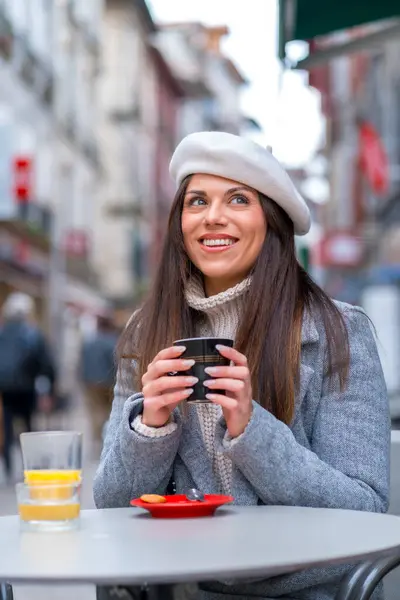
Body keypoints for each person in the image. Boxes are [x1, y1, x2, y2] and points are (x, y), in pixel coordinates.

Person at [93, 132, 390, 600]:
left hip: (300, 591)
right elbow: (109, 504)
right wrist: (149, 427)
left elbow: (364, 510)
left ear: (270, 220)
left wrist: (253, 431)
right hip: (180, 588)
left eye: (237, 198)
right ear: (180, 224)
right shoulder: (145, 330)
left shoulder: (338, 331)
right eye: (197, 201)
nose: (213, 216)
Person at [0, 292, 56, 480]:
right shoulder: (32, 333)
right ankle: (29, 467)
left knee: (6, 427)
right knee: (28, 426)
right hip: (27, 388)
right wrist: (48, 390)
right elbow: (46, 364)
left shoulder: (2, 332)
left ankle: (7, 468)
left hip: (5, 388)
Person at [80, 315, 118, 447]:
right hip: (108, 382)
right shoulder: (113, 341)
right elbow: (115, 363)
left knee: (95, 411)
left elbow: (82, 362)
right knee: (108, 411)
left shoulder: (89, 342)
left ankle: (97, 440)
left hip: (90, 382)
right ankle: (105, 439)